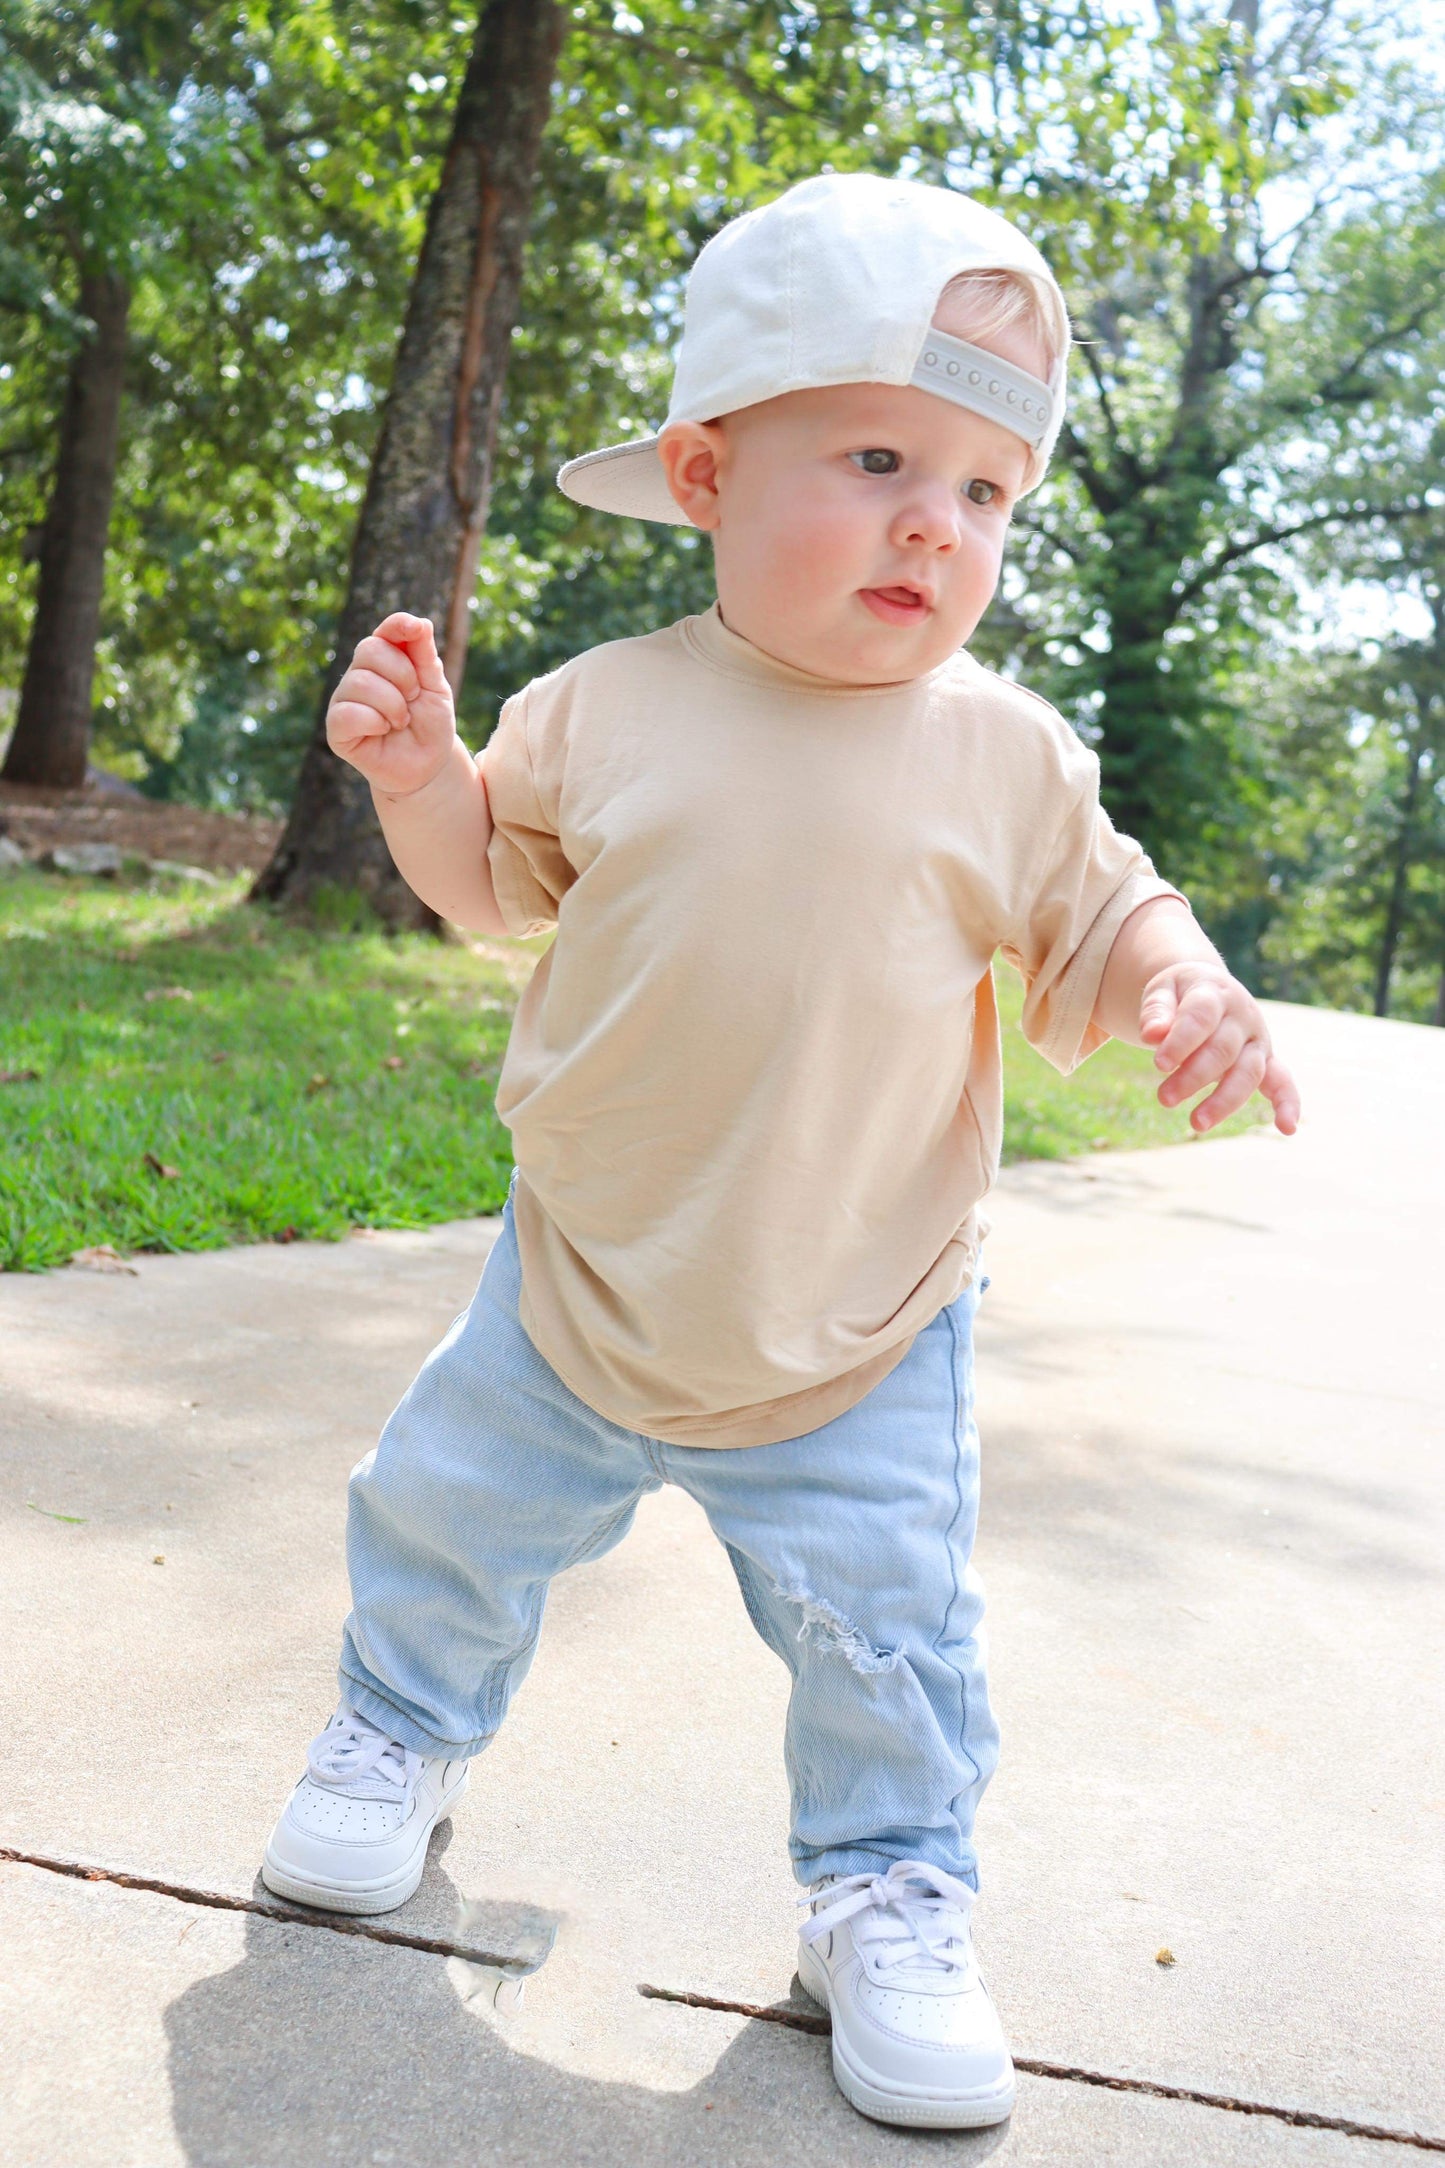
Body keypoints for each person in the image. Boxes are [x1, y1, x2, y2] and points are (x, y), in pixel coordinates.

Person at [260, 173, 1299, 2131]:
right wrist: (421, 776)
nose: (940, 519)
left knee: (888, 1639)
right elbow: (492, 883)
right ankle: (396, 1731)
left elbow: (1111, 909)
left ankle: (883, 1891)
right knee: (444, 1514)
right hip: (578, 1275)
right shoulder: (608, 706)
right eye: (886, 455)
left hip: (854, 1331)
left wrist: (1187, 986)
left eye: (989, 492)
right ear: (710, 470)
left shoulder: (1003, 756)